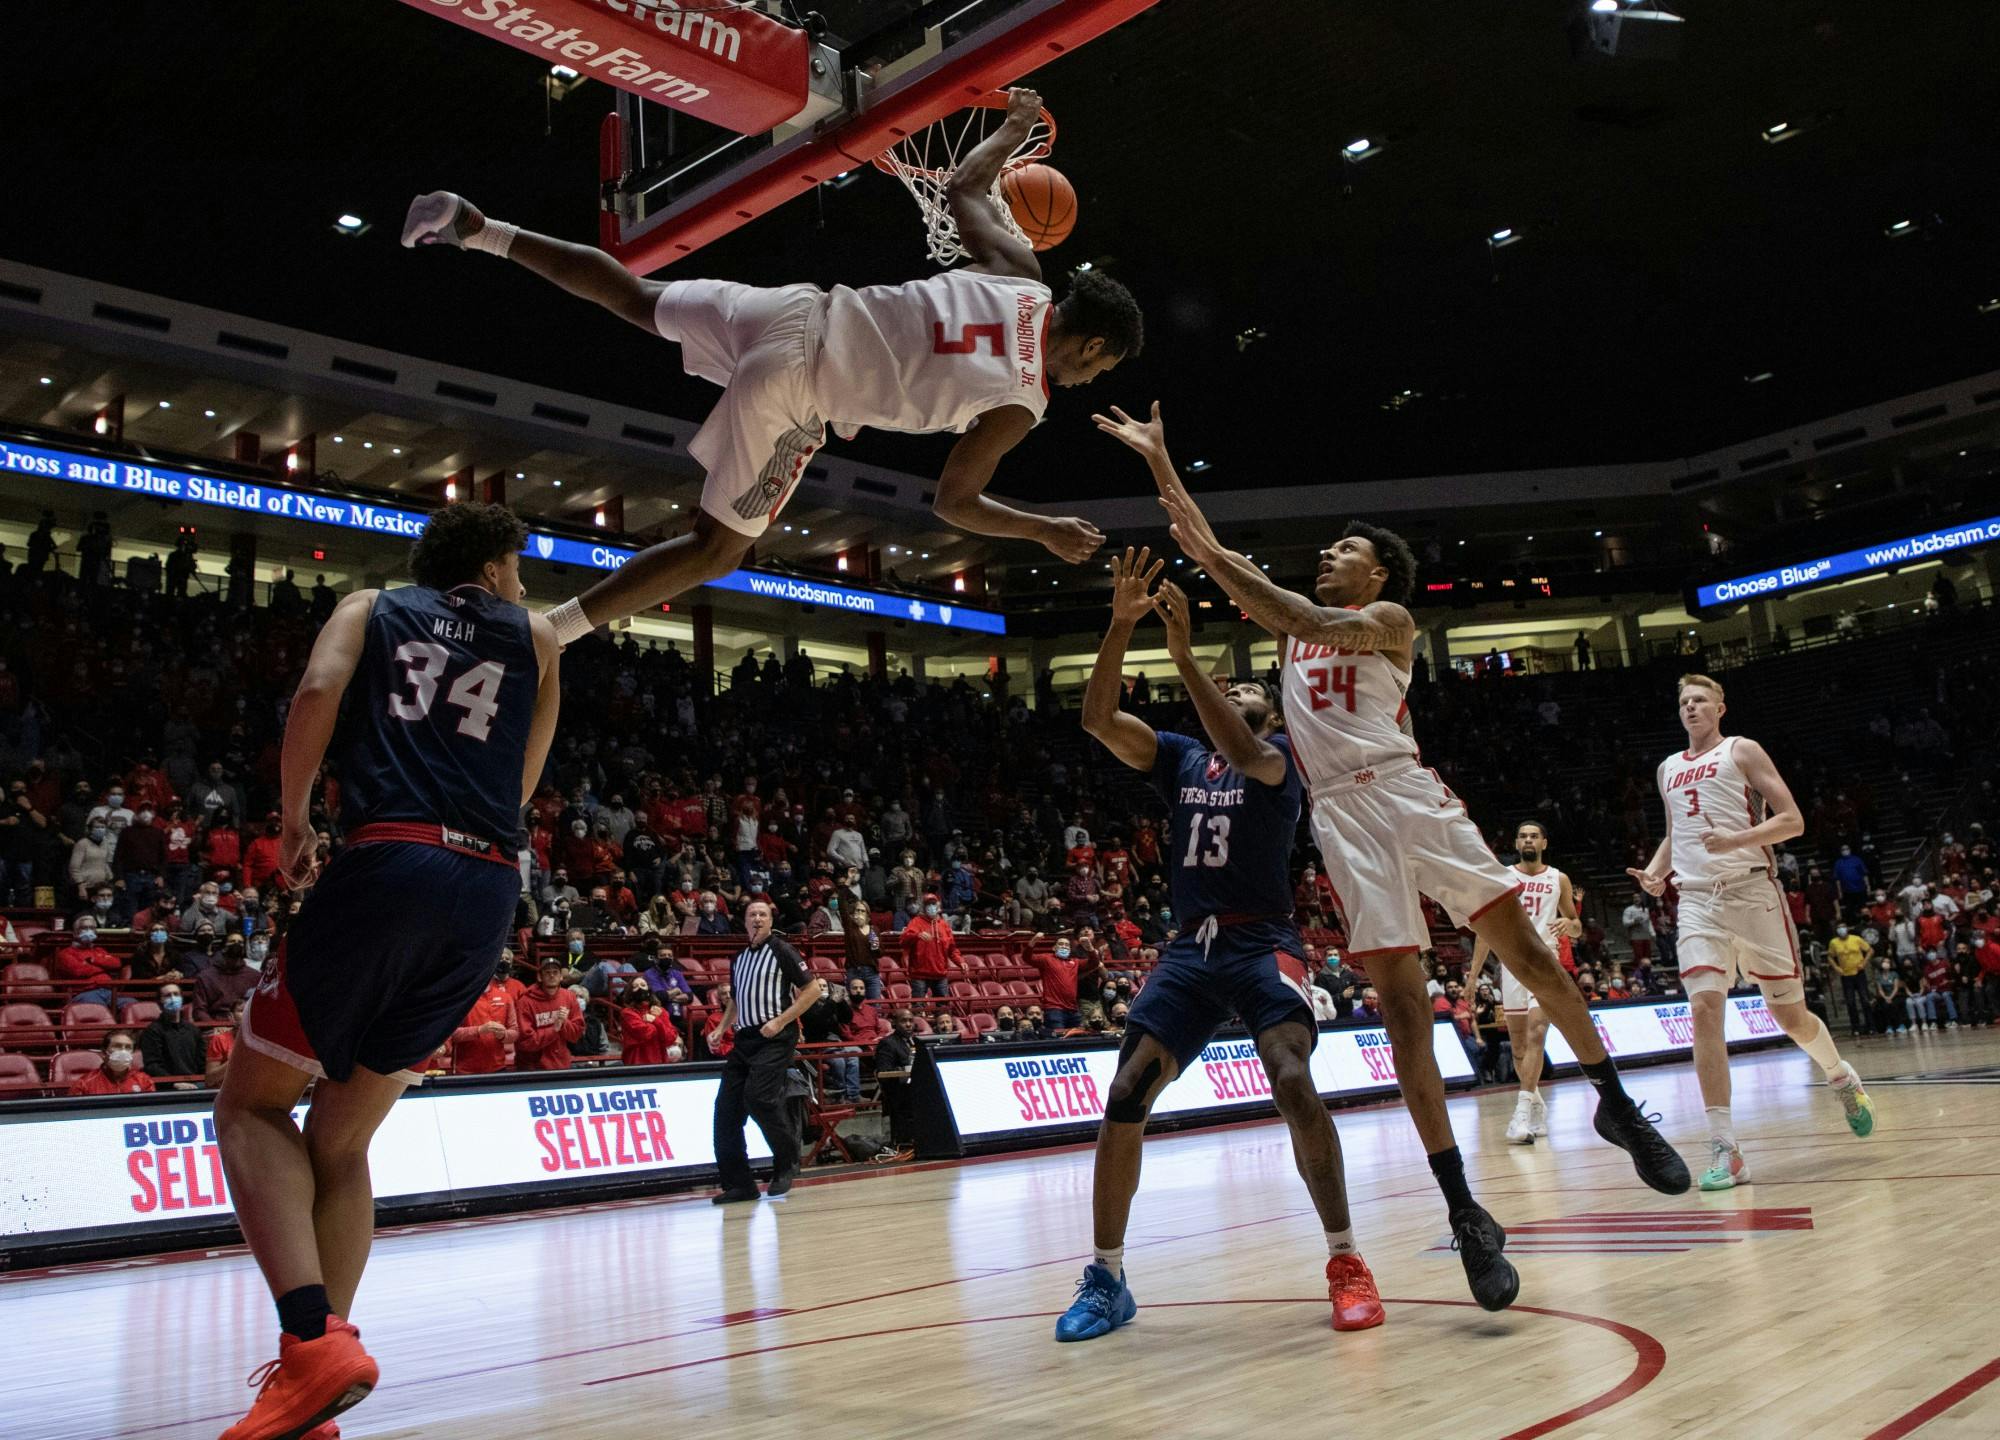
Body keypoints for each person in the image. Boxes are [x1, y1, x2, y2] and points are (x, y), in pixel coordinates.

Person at [1103, 403, 1687, 1312]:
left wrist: (1226, 565)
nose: (1328, 554)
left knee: (1531, 955)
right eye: (1329, 548)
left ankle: (1613, 1099)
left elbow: (1282, 601)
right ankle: (1463, 1210)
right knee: (1408, 1017)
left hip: (1407, 794)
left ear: (1375, 571)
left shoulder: (1388, 617)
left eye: (1343, 547)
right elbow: (1224, 558)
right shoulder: (1288, 634)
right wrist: (1161, 465)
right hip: (1344, 823)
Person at [406, 87, 1141, 649]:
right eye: (1099, 370)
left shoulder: (1021, 272)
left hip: (794, 311)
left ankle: (478, 228)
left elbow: (964, 189)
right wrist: (1040, 530)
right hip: (797, 390)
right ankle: (552, 634)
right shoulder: (1023, 399)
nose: (1088, 381)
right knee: (717, 549)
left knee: (634, 295)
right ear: (1094, 347)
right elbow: (954, 502)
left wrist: (1012, 130)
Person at [213, 502, 560, 1440]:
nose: (521, 586)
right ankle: (314, 1389)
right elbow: (523, 777)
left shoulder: (371, 605)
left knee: (248, 1108)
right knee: (341, 1141)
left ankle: (308, 1344)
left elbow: (318, 692)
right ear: (493, 568)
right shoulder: (533, 636)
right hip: (488, 889)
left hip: (389, 862)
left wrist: (291, 822)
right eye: (518, 569)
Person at [1056, 548, 1383, 1343]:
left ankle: (1346, 1261)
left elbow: (1238, 746)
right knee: (1126, 1091)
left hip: (1264, 942)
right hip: (1188, 953)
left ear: (1267, 711)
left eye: (1244, 690)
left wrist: (1179, 655)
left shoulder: (1278, 762)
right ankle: (1107, 1276)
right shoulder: (1179, 758)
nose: (1233, 693)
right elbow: (1098, 720)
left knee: (1292, 1078)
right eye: (1224, 686)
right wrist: (1120, 626)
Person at [1628, 673, 1874, 1191]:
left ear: (1721, 708)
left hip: (1753, 894)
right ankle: (1726, 1146)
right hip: (1696, 899)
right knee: (1703, 1010)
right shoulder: (1667, 767)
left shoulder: (1743, 751)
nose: (1691, 707)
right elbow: (1678, 834)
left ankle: (1840, 1076)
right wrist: (1656, 871)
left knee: (1789, 1017)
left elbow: (1792, 820)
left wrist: (1737, 838)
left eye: (1700, 700)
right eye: (1684, 702)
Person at [1464, 822, 1581, 1146]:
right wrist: (1473, 976)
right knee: (1518, 1046)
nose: (1528, 840)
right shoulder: (1503, 877)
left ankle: (1520, 1112)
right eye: (1523, 836)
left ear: (1544, 842)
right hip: (1512, 966)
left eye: (1533, 835)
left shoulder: (1559, 878)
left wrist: (1568, 924)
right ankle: (1537, 1104)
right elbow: (1485, 930)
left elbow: (1576, 924)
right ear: (1517, 843)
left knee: (1537, 1033)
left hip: (1546, 963)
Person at [710, 899, 823, 1204]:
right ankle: (740, 1184)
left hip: (776, 1036)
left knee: (759, 1097)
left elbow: (813, 990)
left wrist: (781, 1020)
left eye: (763, 914)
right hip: (745, 1038)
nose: (757, 919)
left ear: (771, 921)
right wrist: (721, 1028)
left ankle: (786, 1163)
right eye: (752, 915)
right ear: (744, 922)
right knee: (725, 1112)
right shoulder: (740, 958)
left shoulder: (782, 950)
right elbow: (736, 999)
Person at [452, 957, 522, 1075]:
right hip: (466, 1069)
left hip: (497, 1067)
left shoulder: (505, 997)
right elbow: (451, 1035)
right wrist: (479, 1030)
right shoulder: (460, 999)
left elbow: (515, 1032)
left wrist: (503, 1035)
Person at [872, 1008, 921, 1163]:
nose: (908, 1024)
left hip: (917, 1088)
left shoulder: (917, 1042)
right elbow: (883, 1072)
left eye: (910, 1021)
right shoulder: (887, 1044)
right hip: (897, 1093)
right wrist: (905, 1071)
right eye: (904, 1021)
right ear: (894, 1023)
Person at [138, 982, 205, 1089]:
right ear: (159, 1002)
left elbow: (202, 1063)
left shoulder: (193, 1030)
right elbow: (152, 1065)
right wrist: (173, 1084)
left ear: (182, 999)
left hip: (195, 1085)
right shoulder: (152, 1031)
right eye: (168, 995)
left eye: (176, 994)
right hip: (168, 1087)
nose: (173, 998)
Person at [904, 892, 960, 1001]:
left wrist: (960, 962)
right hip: (919, 974)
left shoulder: (944, 925)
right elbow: (903, 941)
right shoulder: (915, 922)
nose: (931, 907)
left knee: (943, 1008)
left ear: (938, 906)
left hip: (940, 974)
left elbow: (952, 948)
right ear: (923, 907)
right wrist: (917, 935)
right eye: (928, 904)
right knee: (918, 1008)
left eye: (933, 904)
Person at [68, 1029, 156, 1096]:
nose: (123, 1051)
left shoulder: (144, 1081)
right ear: (104, 1052)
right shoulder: (84, 1084)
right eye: (117, 1046)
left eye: (128, 1047)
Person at [1827, 923, 1875, 1037]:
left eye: (1843, 927)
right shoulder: (1834, 942)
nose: (1841, 930)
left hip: (1859, 973)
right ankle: (1855, 1028)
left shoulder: (1856, 939)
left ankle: (1871, 1026)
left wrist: (1864, 963)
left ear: (1847, 929)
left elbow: (1870, 950)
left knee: (1865, 1000)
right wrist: (1836, 968)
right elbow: (1829, 956)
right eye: (1839, 928)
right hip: (1846, 975)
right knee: (1850, 1002)